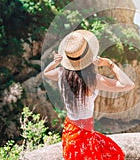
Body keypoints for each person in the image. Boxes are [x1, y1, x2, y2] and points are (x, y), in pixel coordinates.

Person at [43, 30, 135, 160]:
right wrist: (110, 64)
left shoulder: (60, 74)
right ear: (88, 57)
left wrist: (56, 62)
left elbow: (47, 72)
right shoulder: (93, 80)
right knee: (115, 153)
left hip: (70, 133)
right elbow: (128, 84)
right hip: (84, 137)